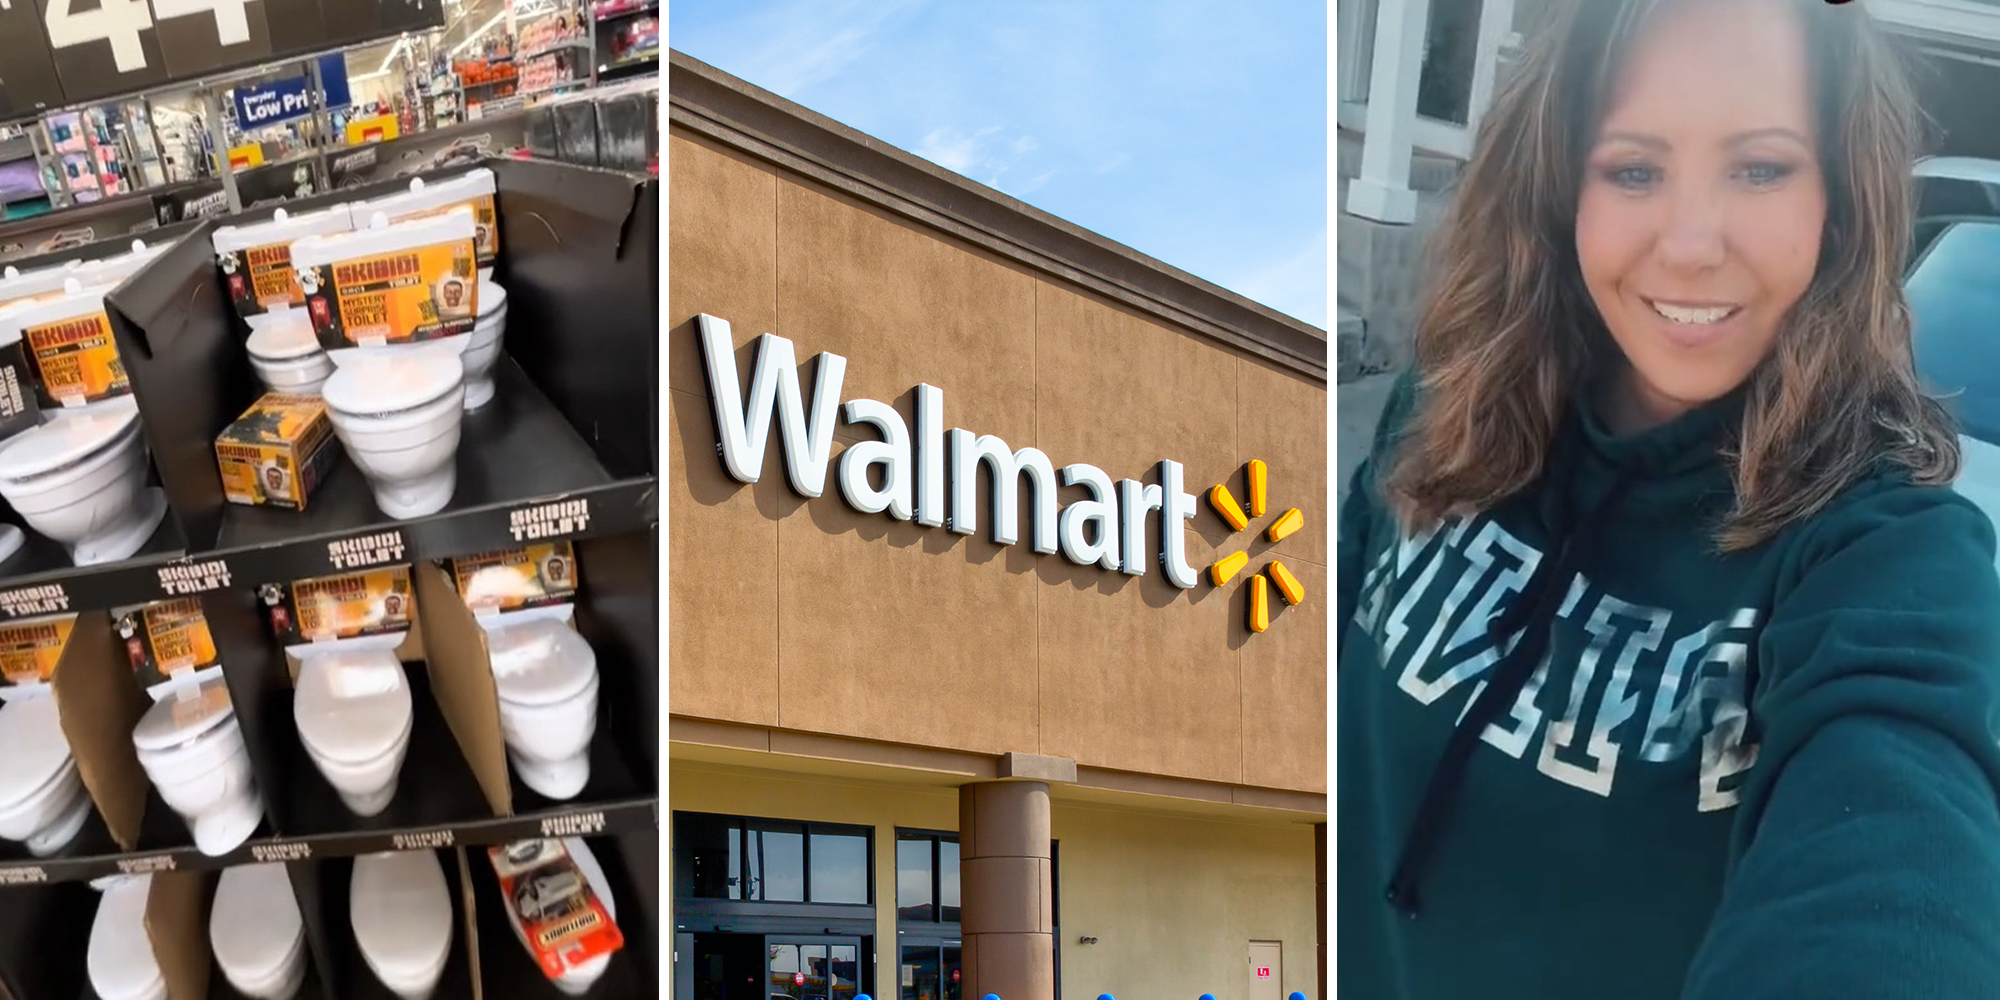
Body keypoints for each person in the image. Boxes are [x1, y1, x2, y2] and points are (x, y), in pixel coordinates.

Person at [1336, 0, 2000, 997]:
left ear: (1837, 202)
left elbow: (1898, 842)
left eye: (1760, 167)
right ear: (1559, 187)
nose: (1691, 245)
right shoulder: (1434, 418)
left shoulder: (1885, 551)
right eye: (1634, 169)